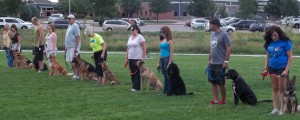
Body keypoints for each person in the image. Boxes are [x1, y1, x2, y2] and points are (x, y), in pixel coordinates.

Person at [263, 25, 293, 115]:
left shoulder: (285, 42)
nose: (274, 37)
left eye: (275, 35)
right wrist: (265, 68)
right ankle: (275, 108)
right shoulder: (269, 43)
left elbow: (290, 57)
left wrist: (286, 70)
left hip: (282, 68)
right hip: (272, 68)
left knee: (281, 89)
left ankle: (282, 109)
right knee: (275, 88)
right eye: (272, 35)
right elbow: (267, 57)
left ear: (279, 33)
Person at [207, 18, 232, 105]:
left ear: (216, 25)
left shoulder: (224, 34)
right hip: (212, 62)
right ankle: (216, 99)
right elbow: (211, 48)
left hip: (220, 63)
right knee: (213, 82)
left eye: (211, 25)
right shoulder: (212, 34)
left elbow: (229, 47)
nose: (209, 26)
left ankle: (223, 100)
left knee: (220, 83)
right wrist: (209, 59)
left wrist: (226, 61)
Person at [125, 25, 147, 91]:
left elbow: (144, 46)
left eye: (133, 30)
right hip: (130, 57)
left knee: (137, 72)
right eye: (131, 30)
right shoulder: (130, 37)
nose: (132, 31)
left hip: (137, 57)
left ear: (137, 30)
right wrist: (126, 58)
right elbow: (128, 48)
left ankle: (137, 87)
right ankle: (133, 86)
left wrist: (143, 56)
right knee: (132, 72)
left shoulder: (140, 37)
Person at [157, 26, 174, 94]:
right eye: (161, 32)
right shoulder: (162, 40)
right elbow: (160, 52)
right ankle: (165, 90)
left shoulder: (170, 41)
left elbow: (172, 52)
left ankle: (168, 90)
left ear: (167, 32)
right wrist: (158, 62)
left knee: (168, 76)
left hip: (167, 59)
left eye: (163, 32)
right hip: (162, 59)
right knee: (164, 75)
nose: (162, 33)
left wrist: (170, 62)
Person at [65, 14, 81, 80]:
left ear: (73, 19)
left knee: (75, 62)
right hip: (69, 47)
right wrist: (66, 46)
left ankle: (76, 75)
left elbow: (78, 37)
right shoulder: (69, 26)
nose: (68, 20)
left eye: (70, 19)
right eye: (68, 18)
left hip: (73, 47)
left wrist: (75, 48)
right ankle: (74, 73)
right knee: (71, 61)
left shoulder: (75, 26)